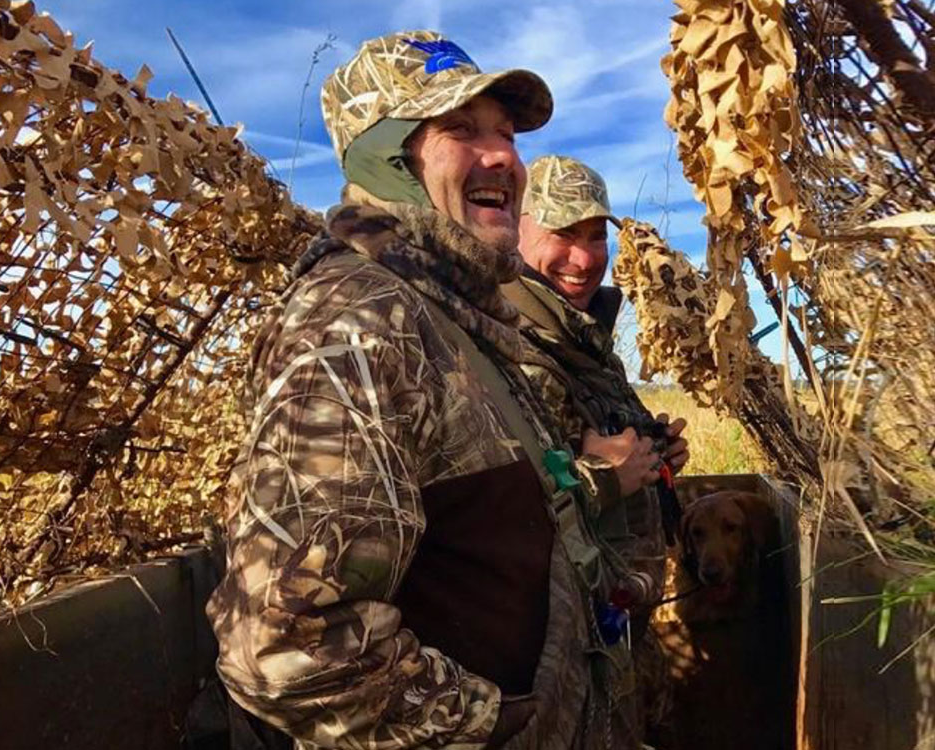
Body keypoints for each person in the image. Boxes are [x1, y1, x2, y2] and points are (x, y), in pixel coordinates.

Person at [207, 31, 617, 748]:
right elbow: (284, 649)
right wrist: (490, 726)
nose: (504, 158)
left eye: (507, 133)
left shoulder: (452, 318)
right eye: (461, 130)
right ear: (385, 158)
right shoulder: (363, 322)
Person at [503, 155, 690, 745]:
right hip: (561, 652)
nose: (583, 259)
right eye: (562, 234)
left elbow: (591, 442)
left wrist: (651, 452)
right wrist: (603, 475)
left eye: (594, 235)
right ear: (518, 228)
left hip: (615, 627)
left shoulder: (584, 338)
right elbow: (502, 507)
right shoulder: (509, 339)